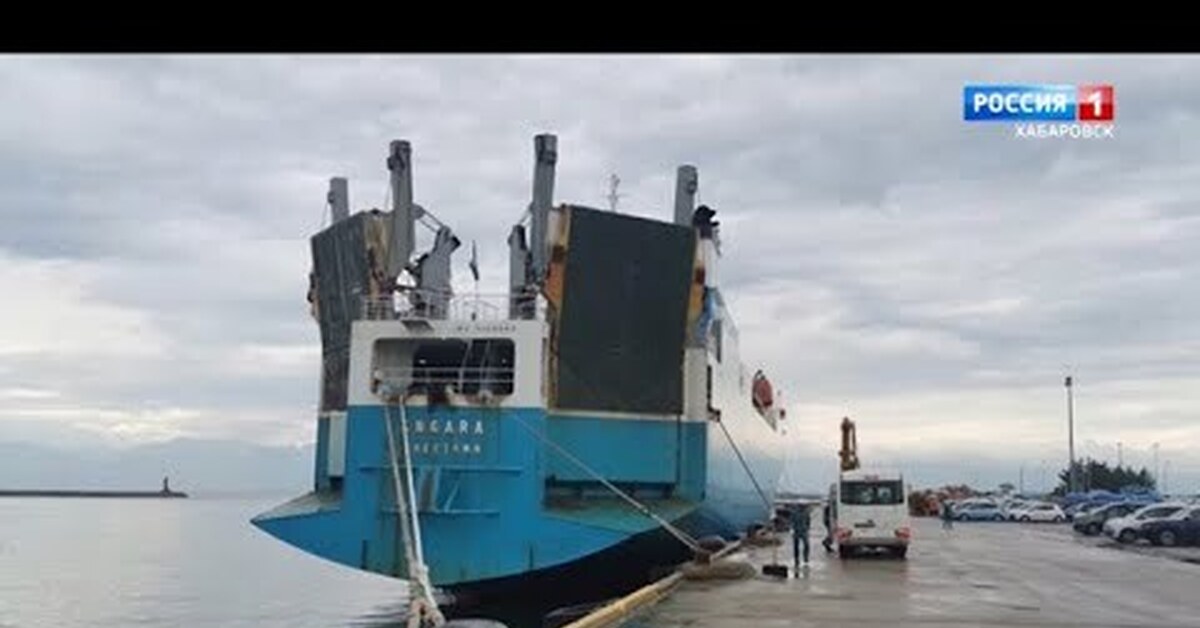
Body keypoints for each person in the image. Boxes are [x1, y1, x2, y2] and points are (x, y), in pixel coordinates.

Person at [790, 503, 811, 568]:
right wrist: (792, 529)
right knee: (796, 546)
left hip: (804, 531)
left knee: (806, 545)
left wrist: (807, 528)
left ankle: (805, 558)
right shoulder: (794, 512)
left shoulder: (806, 512)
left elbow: (808, 521)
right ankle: (796, 559)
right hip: (796, 530)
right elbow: (791, 521)